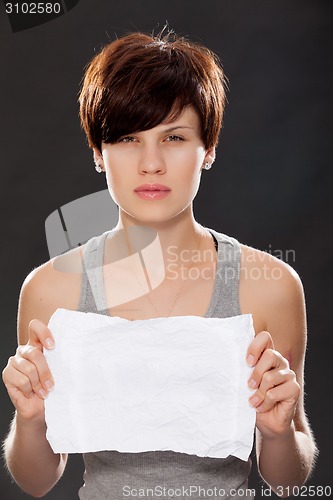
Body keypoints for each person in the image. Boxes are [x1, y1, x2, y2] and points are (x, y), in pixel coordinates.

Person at [2, 29, 317, 499]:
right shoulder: (54, 290)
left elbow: (288, 478)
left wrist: (275, 433)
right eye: (128, 138)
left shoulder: (268, 285)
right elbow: (38, 479)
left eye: (173, 137)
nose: (151, 163)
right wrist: (28, 419)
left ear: (207, 149)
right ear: (98, 153)